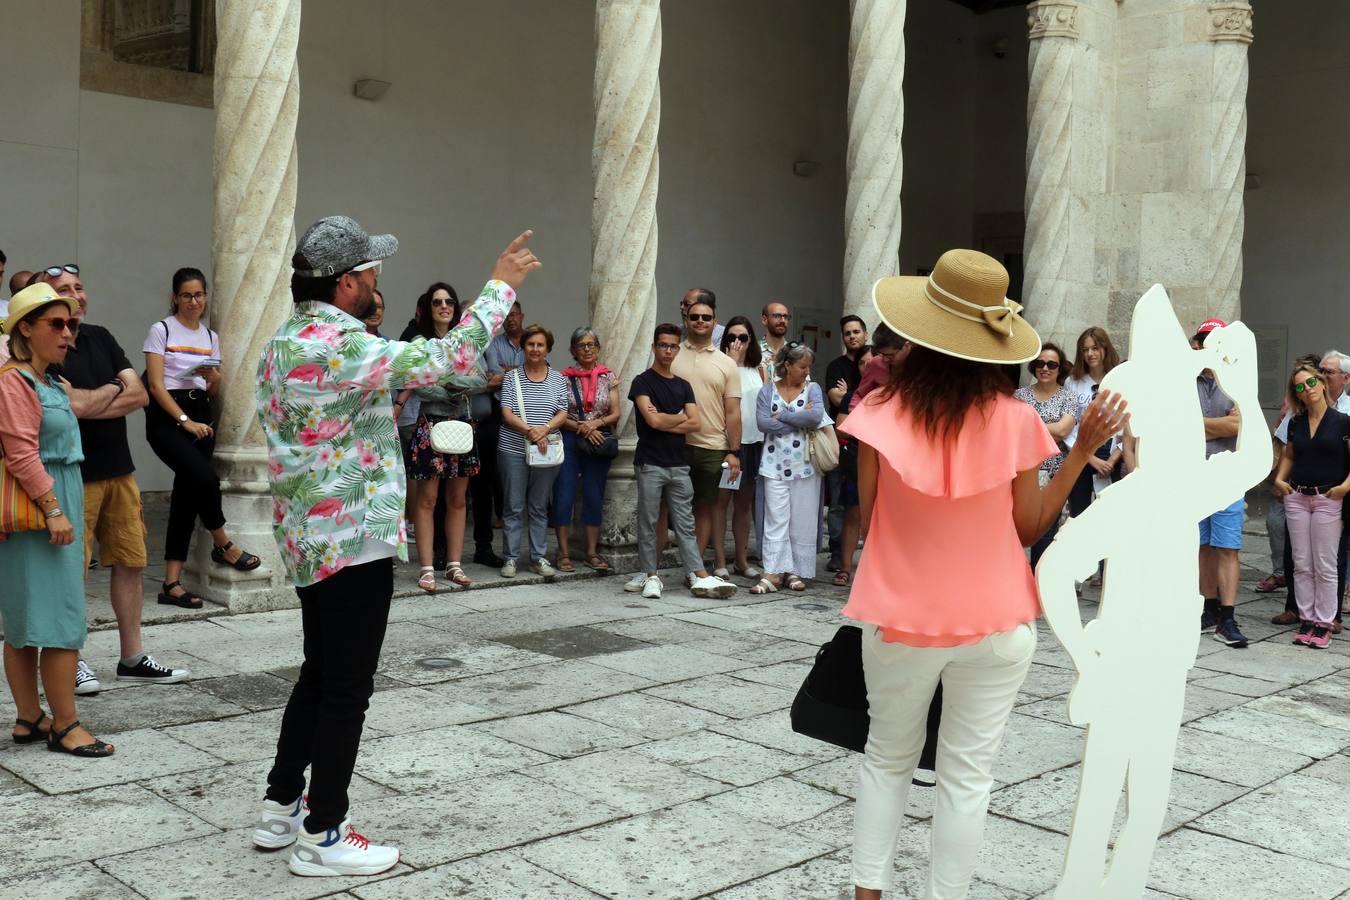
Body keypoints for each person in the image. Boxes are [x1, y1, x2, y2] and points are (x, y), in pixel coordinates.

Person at [253, 216, 538, 876]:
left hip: (309, 536)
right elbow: (455, 357)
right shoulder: (343, 343)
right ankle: (324, 833)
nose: (379, 281)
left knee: (319, 674)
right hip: (351, 535)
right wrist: (499, 286)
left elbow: (350, 402)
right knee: (347, 687)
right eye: (372, 273)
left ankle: (281, 806)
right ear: (346, 283)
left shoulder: (285, 340)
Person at [840, 249, 1126, 899]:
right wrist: (1081, 450)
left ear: (923, 332)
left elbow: (871, 511)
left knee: (887, 761)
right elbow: (1030, 529)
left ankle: (867, 895)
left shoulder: (882, 411)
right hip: (997, 623)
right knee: (967, 780)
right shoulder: (1017, 420)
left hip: (901, 617)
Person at [38, 263, 189, 693]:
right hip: (72, 475)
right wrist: (111, 393)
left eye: (79, 287)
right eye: (64, 289)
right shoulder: (46, 346)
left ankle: (132, 656)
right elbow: (73, 407)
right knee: (70, 572)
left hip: (119, 472)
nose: (76, 295)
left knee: (131, 561)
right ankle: (74, 658)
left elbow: (139, 394)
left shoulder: (100, 337)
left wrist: (95, 397)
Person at [0, 284, 114, 756]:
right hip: (40, 508)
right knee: (62, 621)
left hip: (46, 503)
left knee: (26, 622)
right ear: (25, 328)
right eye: (56, 324)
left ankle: (29, 718)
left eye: (71, 324)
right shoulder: (14, 381)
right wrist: (54, 510)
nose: (68, 333)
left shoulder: (45, 381)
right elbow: (21, 452)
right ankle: (65, 725)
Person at [142, 267, 260, 609]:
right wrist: (184, 421)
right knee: (206, 478)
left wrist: (214, 378)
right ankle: (223, 544)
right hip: (169, 417)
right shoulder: (161, 329)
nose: (193, 301)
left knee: (186, 497)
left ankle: (171, 583)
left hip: (202, 415)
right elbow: (155, 385)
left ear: (206, 297)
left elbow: (210, 387)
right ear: (175, 297)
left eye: (198, 295)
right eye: (186, 295)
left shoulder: (210, 336)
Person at [625, 324, 737, 600]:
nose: (668, 350)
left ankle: (699, 574)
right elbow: (651, 421)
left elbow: (695, 423)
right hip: (650, 462)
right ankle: (651, 575)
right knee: (649, 520)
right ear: (654, 347)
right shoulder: (642, 381)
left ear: (678, 348)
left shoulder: (683, 385)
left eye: (673, 345)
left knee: (685, 522)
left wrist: (666, 419)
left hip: (678, 464)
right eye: (663, 345)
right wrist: (677, 419)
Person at [406, 282, 484, 592]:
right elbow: (418, 384)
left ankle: (454, 565)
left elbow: (481, 379)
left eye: (449, 301)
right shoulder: (421, 344)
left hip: (461, 425)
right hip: (431, 424)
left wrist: (450, 383)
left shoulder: (464, 343)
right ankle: (427, 568)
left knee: (457, 499)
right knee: (427, 500)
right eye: (437, 301)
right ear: (428, 307)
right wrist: (451, 387)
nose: (444, 306)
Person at [1271, 364, 1350, 649]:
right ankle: (1306, 619)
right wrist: (1280, 479)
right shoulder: (1296, 422)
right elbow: (1289, 455)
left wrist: (1345, 487)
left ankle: (1324, 622)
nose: (1309, 389)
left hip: (1328, 498)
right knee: (1301, 563)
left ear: (1321, 382)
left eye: (1312, 382)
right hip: (1298, 498)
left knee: (1326, 565)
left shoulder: (1342, 421)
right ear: (1297, 394)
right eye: (1301, 386)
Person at [670, 297, 741, 575]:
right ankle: (650, 571)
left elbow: (733, 412)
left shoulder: (727, 363)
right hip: (673, 445)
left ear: (715, 323)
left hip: (712, 446)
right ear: (686, 320)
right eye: (695, 316)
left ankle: (694, 568)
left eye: (706, 317)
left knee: (704, 508)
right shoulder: (671, 354)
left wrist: (734, 452)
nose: (700, 321)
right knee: (668, 509)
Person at [752, 342, 828, 594]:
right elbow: (763, 423)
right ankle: (773, 572)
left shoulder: (813, 388)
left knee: (801, 517)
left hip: (805, 464)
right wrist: (797, 418)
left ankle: (794, 570)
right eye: (802, 366)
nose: (807, 371)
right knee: (776, 517)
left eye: (809, 367)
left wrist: (781, 416)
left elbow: (815, 417)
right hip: (773, 464)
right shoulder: (767, 391)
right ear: (787, 365)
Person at [1191, 317, 1249, 647]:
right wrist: (1220, 424)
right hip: (1194, 475)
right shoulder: (1185, 379)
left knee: (1227, 547)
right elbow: (1175, 421)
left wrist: (1196, 424)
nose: (1208, 343)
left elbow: (1239, 425)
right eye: (1204, 338)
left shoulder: (1237, 379)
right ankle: (1208, 609)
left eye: (1215, 337)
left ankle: (1228, 617)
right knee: (1201, 546)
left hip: (1227, 475)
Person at [498, 323, 569, 579]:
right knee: (513, 505)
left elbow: (563, 411)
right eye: (531, 344)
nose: (535, 349)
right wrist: (531, 431)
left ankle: (539, 558)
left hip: (545, 449)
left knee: (539, 506)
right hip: (513, 448)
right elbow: (506, 413)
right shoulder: (511, 377)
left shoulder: (559, 378)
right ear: (524, 347)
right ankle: (511, 558)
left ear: (548, 348)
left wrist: (545, 429)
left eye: (540, 344)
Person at [551, 326, 619, 573]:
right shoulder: (562, 378)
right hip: (569, 437)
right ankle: (564, 552)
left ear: (598, 348)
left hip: (599, 438)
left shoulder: (608, 377)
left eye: (591, 344)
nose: (587, 349)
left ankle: (591, 552)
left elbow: (616, 412)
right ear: (573, 350)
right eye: (582, 345)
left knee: (593, 494)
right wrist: (583, 427)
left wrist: (594, 425)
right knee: (564, 493)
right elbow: (557, 411)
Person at [1013, 342, 1078, 569]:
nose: (1045, 368)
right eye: (1040, 363)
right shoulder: (1019, 395)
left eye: (1052, 364)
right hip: (1021, 471)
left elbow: (1063, 430)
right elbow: (1012, 429)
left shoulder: (1068, 398)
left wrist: (1028, 424)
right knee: (1016, 528)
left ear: (1060, 369)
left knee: (1047, 529)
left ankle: (1038, 580)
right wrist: (1049, 426)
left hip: (1054, 471)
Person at [717, 316, 766, 580]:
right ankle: (720, 560)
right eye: (732, 337)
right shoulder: (722, 365)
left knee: (744, 504)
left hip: (754, 443)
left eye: (743, 338)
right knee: (722, 502)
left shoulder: (758, 369)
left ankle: (741, 559)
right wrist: (731, 364)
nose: (737, 342)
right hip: (729, 443)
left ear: (751, 340)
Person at [478, 299, 525, 562]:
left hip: (529, 415)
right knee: (493, 473)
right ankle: (492, 539)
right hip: (498, 415)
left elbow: (540, 370)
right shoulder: (493, 344)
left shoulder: (532, 341)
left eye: (514, 315)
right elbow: (491, 376)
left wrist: (507, 374)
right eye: (506, 316)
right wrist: (524, 372)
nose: (510, 320)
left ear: (522, 316)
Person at [826, 315, 869, 580]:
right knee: (842, 506)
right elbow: (836, 398)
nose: (852, 336)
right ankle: (838, 559)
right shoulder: (837, 366)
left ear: (865, 333)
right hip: (846, 453)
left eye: (856, 332)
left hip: (875, 456)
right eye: (847, 333)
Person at [1063, 326, 1122, 518]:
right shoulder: (1073, 382)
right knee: (1078, 514)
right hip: (1079, 451)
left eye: (1095, 348)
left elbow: (1127, 424)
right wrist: (1087, 456)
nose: (1090, 354)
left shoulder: (1120, 379)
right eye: (1085, 349)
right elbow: (1069, 425)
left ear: (1105, 348)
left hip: (1110, 455)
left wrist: (1112, 459)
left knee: (1109, 515)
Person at [760, 301, 792, 381]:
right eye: (777, 316)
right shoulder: (753, 351)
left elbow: (804, 387)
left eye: (785, 317)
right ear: (764, 320)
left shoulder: (795, 352)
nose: (782, 320)